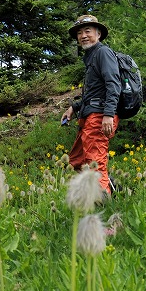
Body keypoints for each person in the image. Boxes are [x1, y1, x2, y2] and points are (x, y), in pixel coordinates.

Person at [60, 15, 120, 196]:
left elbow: (113, 84)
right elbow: (94, 91)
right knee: (76, 162)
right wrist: (75, 107)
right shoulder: (91, 57)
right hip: (89, 116)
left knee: (95, 162)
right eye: (79, 33)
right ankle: (113, 189)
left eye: (87, 31)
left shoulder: (103, 53)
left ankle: (103, 205)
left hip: (100, 117)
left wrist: (108, 114)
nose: (83, 36)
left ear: (98, 33)